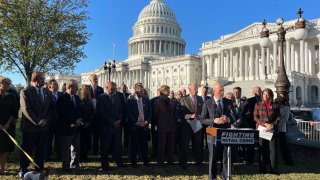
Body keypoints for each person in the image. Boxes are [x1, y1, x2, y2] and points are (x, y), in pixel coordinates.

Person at [200, 82, 237, 180]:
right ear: (214, 90)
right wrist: (214, 120)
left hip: (225, 134)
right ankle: (212, 178)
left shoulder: (228, 102)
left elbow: (234, 118)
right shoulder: (207, 103)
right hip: (212, 135)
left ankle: (225, 177)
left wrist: (228, 119)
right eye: (220, 90)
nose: (222, 92)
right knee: (213, 159)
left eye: (223, 90)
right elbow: (202, 119)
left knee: (225, 158)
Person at [19, 72, 53, 177]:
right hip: (30, 128)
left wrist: (46, 120)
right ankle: (23, 169)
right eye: (42, 79)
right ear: (35, 80)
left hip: (43, 128)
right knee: (27, 149)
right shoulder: (25, 92)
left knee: (41, 149)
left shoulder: (47, 92)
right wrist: (38, 121)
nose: (44, 81)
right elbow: (26, 109)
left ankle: (39, 168)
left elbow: (51, 108)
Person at [97, 81, 124, 172]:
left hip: (116, 127)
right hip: (106, 127)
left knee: (117, 145)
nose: (113, 89)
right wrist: (112, 122)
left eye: (115, 88)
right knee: (105, 147)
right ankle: (105, 165)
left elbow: (121, 110)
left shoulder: (117, 97)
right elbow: (101, 113)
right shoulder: (101, 98)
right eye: (112, 88)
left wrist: (119, 120)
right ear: (106, 87)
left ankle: (119, 162)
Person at [57, 79, 82, 171]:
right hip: (66, 127)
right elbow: (63, 113)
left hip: (77, 128)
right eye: (76, 87)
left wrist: (79, 120)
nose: (78, 89)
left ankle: (75, 164)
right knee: (66, 149)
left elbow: (79, 110)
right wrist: (74, 121)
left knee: (76, 148)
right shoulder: (62, 98)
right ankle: (66, 165)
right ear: (70, 87)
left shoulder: (77, 98)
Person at [254, 88, 280, 174]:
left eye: (267, 94)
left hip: (272, 130)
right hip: (262, 130)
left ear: (271, 96)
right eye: (264, 94)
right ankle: (262, 170)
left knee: (273, 151)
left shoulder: (275, 105)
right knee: (262, 150)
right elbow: (255, 117)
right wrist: (265, 124)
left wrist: (272, 125)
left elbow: (278, 117)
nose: (265, 96)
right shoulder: (258, 104)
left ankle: (273, 169)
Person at [179, 84, 204, 169]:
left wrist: (200, 116)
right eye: (195, 89)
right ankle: (183, 163)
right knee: (185, 145)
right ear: (189, 90)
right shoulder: (184, 99)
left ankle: (198, 162)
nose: (197, 90)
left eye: (197, 88)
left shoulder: (200, 98)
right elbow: (181, 114)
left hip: (197, 123)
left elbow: (203, 111)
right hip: (187, 125)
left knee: (198, 144)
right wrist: (190, 116)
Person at [127, 83, 151, 167]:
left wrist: (146, 121)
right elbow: (129, 113)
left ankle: (145, 161)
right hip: (135, 126)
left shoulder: (146, 99)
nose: (141, 92)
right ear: (135, 90)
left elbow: (149, 112)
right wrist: (135, 122)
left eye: (142, 90)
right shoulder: (131, 100)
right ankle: (134, 162)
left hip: (144, 126)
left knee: (144, 144)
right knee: (134, 145)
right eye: (139, 90)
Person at [154, 85, 176, 166]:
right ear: (163, 91)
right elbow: (155, 114)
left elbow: (173, 112)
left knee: (171, 144)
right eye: (167, 90)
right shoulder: (157, 101)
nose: (169, 91)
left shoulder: (171, 100)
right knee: (161, 145)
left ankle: (170, 161)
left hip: (171, 125)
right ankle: (160, 162)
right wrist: (157, 125)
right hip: (162, 125)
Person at [240, 86, 262, 164]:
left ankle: (262, 158)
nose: (258, 92)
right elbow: (242, 112)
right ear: (253, 92)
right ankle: (249, 159)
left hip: (263, 124)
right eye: (256, 91)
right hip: (251, 124)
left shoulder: (263, 100)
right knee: (250, 143)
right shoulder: (249, 100)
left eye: (259, 90)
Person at [0, 76, 17, 174]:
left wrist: (7, 124)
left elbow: (13, 111)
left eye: (8, 84)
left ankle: (2, 169)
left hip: (8, 126)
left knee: (4, 149)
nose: (7, 86)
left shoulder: (11, 96)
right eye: (5, 83)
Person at [46, 79, 63, 161]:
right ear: (49, 86)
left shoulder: (61, 95)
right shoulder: (46, 94)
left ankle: (59, 156)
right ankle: (46, 156)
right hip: (48, 122)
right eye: (54, 84)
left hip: (59, 122)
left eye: (57, 84)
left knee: (59, 141)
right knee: (48, 140)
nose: (56, 86)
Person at [276, 93, 294, 166]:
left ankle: (288, 161)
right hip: (272, 129)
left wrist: (276, 126)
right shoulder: (274, 105)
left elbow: (285, 119)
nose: (280, 98)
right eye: (279, 96)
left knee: (284, 146)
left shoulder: (286, 107)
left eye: (282, 97)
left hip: (281, 129)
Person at [78, 84, 94, 162]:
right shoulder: (79, 100)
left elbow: (92, 112)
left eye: (89, 89)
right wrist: (83, 122)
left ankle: (85, 156)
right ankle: (80, 157)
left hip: (89, 124)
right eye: (87, 89)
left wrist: (89, 122)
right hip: (81, 124)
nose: (88, 91)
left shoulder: (90, 100)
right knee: (81, 142)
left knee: (87, 141)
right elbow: (79, 112)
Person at [89, 74, 104, 156]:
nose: (95, 80)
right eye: (94, 79)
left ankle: (95, 150)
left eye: (96, 79)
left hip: (97, 115)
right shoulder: (87, 88)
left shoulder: (100, 89)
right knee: (88, 133)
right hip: (89, 114)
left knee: (96, 134)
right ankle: (87, 149)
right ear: (90, 80)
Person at [150, 89, 160, 158]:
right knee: (155, 138)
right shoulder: (153, 100)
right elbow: (150, 111)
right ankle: (155, 152)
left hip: (161, 123)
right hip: (155, 122)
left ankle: (160, 152)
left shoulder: (167, 100)